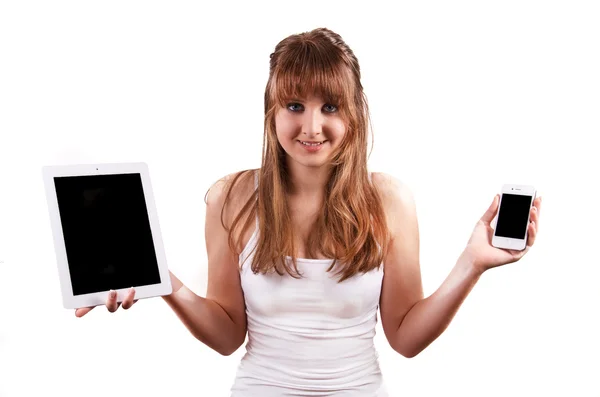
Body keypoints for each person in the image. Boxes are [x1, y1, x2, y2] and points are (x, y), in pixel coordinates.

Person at [75, 27, 542, 396]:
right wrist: (164, 280)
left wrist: (472, 264)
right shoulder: (231, 197)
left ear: (353, 114)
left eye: (330, 106)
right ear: (271, 112)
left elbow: (405, 338)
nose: (312, 127)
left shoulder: (389, 200)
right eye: (295, 105)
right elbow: (226, 336)